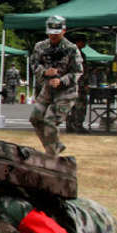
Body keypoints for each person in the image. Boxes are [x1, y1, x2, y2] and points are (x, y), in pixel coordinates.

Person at [29, 16, 83, 155]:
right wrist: (45, 72)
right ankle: (54, 145)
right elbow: (34, 64)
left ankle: (52, 154)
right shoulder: (40, 47)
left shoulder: (71, 49)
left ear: (64, 31)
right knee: (35, 118)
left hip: (66, 91)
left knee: (50, 120)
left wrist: (61, 80)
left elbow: (77, 72)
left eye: (56, 32)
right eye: (51, 32)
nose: (53, 35)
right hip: (47, 89)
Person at [65, 35, 89, 134]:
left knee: (71, 105)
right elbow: (82, 71)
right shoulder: (78, 54)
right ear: (78, 42)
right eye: (83, 42)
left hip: (71, 83)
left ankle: (70, 125)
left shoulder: (67, 53)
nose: (85, 44)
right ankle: (77, 125)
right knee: (80, 105)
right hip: (79, 84)